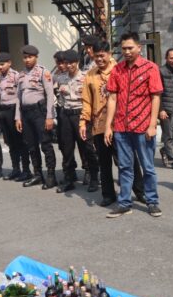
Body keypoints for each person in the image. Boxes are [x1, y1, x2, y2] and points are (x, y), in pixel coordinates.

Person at [104, 32, 163, 218]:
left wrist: (152, 125)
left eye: (130, 48)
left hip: (143, 127)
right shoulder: (117, 69)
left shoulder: (150, 68)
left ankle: (152, 201)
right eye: (124, 48)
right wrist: (108, 126)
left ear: (139, 48)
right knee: (124, 167)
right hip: (121, 127)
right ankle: (124, 203)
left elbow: (155, 97)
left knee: (148, 167)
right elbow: (112, 98)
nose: (127, 51)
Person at [80, 41, 146, 207]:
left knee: (128, 160)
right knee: (104, 161)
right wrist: (83, 121)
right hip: (99, 125)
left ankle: (140, 191)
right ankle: (108, 194)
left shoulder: (120, 70)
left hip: (120, 125)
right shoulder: (90, 75)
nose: (99, 59)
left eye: (102, 56)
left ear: (109, 54)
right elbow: (87, 101)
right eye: (96, 57)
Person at [55, 49, 98, 193]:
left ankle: (93, 176)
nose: (68, 65)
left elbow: (92, 98)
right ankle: (69, 178)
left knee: (87, 146)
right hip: (66, 114)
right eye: (66, 62)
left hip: (81, 114)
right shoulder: (60, 78)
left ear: (77, 62)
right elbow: (59, 98)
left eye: (71, 62)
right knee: (66, 148)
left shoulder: (86, 76)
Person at [15, 44, 57, 189]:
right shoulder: (20, 75)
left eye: (30, 57)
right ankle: (38, 175)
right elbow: (18, 98)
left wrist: (50, 116)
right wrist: (17, 117)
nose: (27, 60)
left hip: (39, 113)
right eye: (25, 57)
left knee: (45, 144)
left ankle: (51, 176)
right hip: (25, 114)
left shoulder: (43, 72)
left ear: (36, 57)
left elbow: (50, 94)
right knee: (31, 146)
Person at [0, 52, 27, 181]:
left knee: (20, 142)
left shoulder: (16, 76)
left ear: (9, 63)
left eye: (2, 64)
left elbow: (20, 96)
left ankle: (26, 170)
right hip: (3, 111)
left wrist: (18, 115)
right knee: (10, 142)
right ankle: (15, 169)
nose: (0, 67)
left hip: (14, 110)